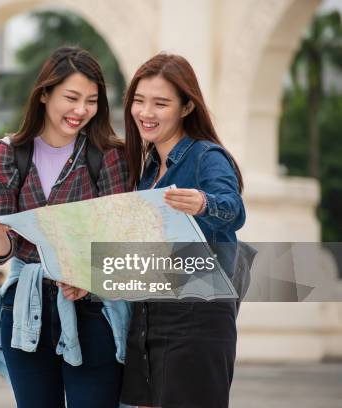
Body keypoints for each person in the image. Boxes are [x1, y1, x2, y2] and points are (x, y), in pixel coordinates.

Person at [0, 46, 131, 408]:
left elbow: (122, 238)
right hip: (26, 308)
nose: (81, 110)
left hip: (93, 308)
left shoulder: (108, 154)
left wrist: (88, 275)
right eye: (72, 97)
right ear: (45, 94)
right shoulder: (9, 152)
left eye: (92, 101)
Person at [120, 53, 246, 408]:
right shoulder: (146, 170)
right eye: (139, 101)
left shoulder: (207, 156)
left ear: (187, 107)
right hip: (147, 318)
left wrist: (203, 203)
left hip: (197, 317)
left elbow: (234, 210)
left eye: (161, 103)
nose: (146, 112)